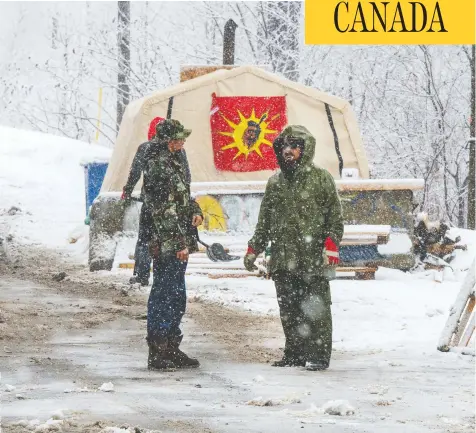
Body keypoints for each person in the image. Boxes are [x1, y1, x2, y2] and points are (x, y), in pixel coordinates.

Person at [243, 125, 343, 371]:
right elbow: (265, 220)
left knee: (316, 308)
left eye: (294, 146)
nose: (288, 151)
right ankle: (295, 353)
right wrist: (253, 248)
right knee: (289, 309)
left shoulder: (321, 178)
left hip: (312, 258)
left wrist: (331, 244)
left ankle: (318, 355)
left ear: (304, 149)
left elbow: (335, 216)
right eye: (284, 147)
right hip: (283, 257)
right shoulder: (275, 183)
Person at [143, 119, 203, 370]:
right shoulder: (157, 166)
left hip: (178, 240)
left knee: (177, 296)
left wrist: (196, 210)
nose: (182, 142)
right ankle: (158, 351)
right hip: (166, 242)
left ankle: (171, 346)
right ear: (167, 140)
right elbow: (163, 210)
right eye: (178, 138)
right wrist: (179, 242)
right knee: (164, 295)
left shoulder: (175, 161)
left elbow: (181, 197)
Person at [122, 117, 192, 286]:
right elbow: (186, 177)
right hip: (170, 204)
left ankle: (141, 274)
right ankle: (166, 275)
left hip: (151, 202)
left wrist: (128, 190)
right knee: (166, 239)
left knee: (145, 238)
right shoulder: (178, 152)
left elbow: (135, 171)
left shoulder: (145, 149)